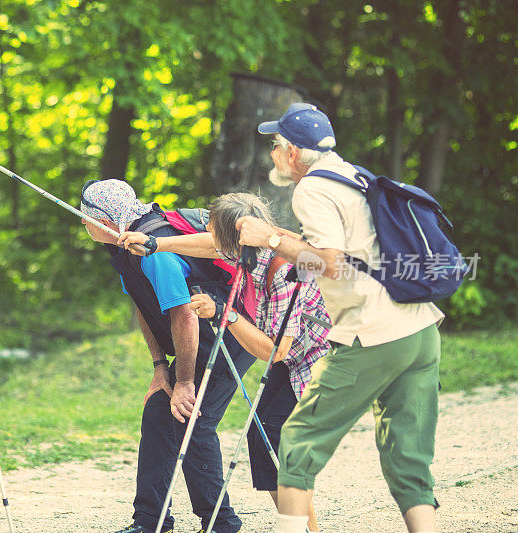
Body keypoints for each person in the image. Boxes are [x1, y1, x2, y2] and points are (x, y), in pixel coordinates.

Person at [237, 103, 444, 533]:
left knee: (295, 442)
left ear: (292, 152)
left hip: (374, 333)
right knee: (408, 457)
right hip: (421, 329)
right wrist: (283, 243)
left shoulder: (311, 189)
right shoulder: (354, 176)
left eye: (276, 145)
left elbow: (330, 264)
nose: (273, 153)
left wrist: (269, 237)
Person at [119, 193, 331, 533]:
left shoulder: (283, 270)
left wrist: (226, 314)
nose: (208, 234)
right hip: (292, 352)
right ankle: (301, 528)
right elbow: (208, 244)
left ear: (236, 235)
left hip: (320, 355)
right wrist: (156, 243)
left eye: (213, 228)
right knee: (265, 438)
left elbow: (277, 351)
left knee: (276, 436)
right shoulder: (245, 247)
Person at [80, 179, 253, 533]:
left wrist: (185, 382)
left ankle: (221, 524)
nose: (82, 223)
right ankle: (150, 523)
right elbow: (145, 306)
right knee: (159, 413)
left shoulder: (153, 251)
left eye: (86, 216)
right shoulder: (125, 249)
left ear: (106, 220)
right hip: (197, 337)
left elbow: (184, 314)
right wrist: (162, 369)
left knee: (193, 420)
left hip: (226, 334)